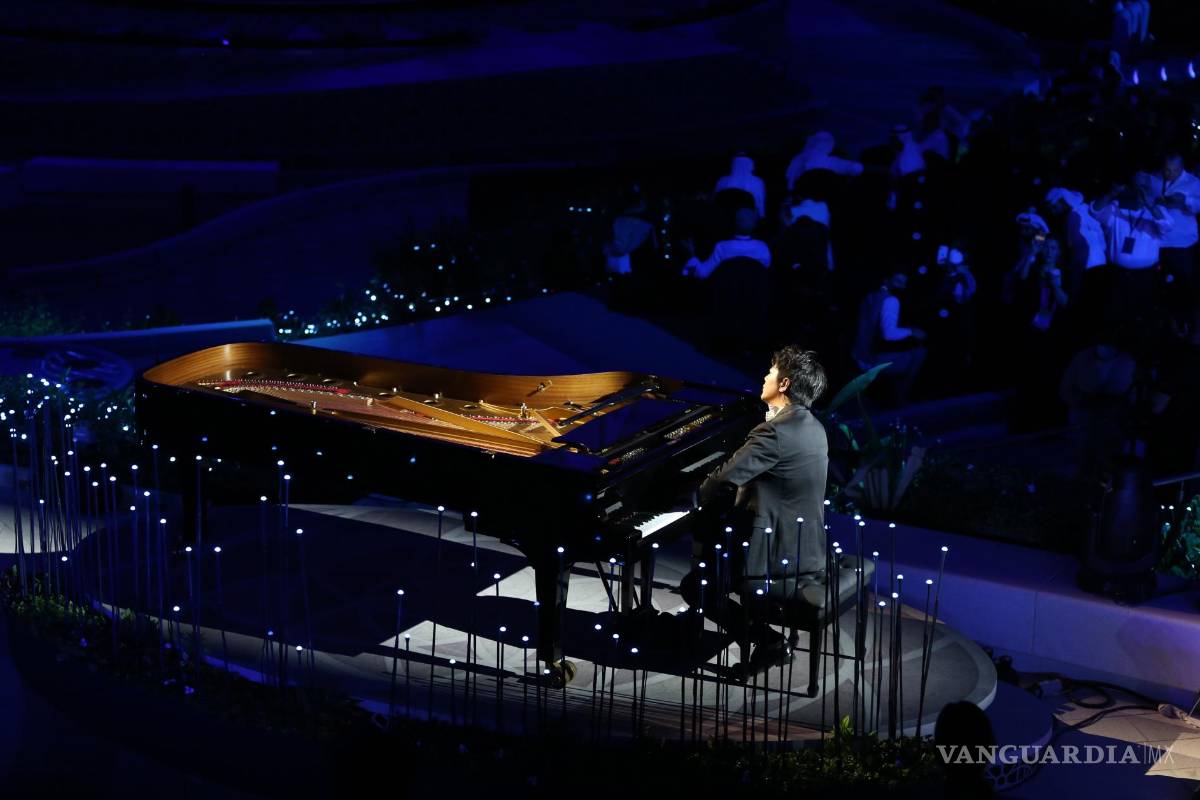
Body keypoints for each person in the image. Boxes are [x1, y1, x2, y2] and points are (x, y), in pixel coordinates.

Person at [680, 346, 829, 674]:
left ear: (785, 384)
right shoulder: (814, 427)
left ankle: (766, 639)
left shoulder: (775, 431)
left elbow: (723, 480)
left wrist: (689, 497)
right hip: (806, 547)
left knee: (696, 585)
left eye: (771, 372)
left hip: (774, 553)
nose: (764, 377)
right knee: (714, 548)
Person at [851, 272, 928, 406]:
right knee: (919, 353)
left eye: (904, 283)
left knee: (904, 353)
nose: (902, 286)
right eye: (898, 282)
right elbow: (889, 333)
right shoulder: (891, 300)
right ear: (887, 280)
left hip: (857, 357)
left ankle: (890, 397)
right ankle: (899, 401)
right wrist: (912, 331)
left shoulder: (870, 296)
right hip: (871, 361)